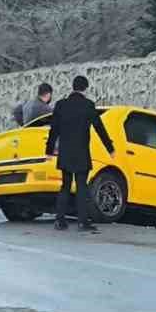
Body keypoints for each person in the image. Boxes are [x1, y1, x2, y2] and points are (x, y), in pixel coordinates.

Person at [46, 74, 113, 233]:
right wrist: (110, 148)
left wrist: (49, 150)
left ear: (73, 87)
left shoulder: (61, 105)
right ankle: (83, 222)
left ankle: (59, 220)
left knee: (65, 186)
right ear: (85, 89)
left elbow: (53, 129)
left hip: (65, 152)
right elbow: (99, 127)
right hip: (82, 152)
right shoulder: (88, 105)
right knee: (82, 187)